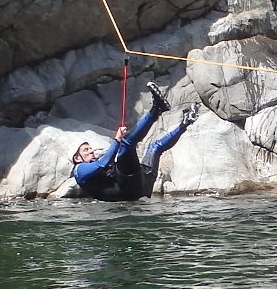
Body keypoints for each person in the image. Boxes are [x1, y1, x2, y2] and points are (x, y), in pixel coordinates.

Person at [70, 84, 199, 201]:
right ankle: (156, 109)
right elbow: (102, 164)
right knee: (126, 143)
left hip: (142, 183)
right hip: (128, 187)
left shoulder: (91, 169)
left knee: (155, 148)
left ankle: (185, 123)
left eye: (89, 148)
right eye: (85, 150)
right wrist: (117, 140)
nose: (91, 151)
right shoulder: (79, 170)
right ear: (77, 158)